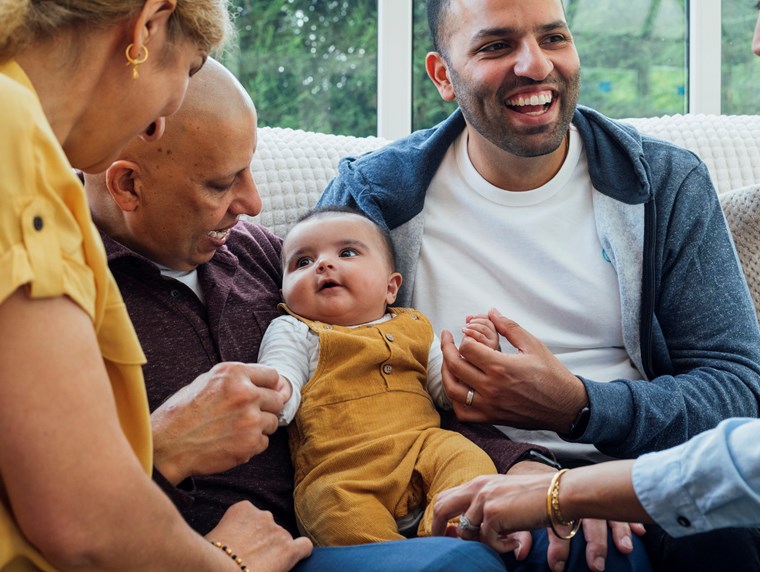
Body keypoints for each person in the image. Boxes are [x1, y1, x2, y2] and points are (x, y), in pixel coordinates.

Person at [317, 0, 760, 570]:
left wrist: (580, 407)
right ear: (442, 76)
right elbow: (336, 385)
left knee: (725, 539)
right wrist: (521, 468)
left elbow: (737, 393)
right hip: (469, 485)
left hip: (648, 479)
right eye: (496, 46)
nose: (535, 65)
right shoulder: (372, 200)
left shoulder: (664, 183)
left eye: (553, 38)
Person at [84, 57, 513, 572]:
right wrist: (169, 458)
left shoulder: (251, 250)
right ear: (128, 186)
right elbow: (49, 509)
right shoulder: (61, 296)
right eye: (222, 185)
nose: (254, 202)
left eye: (251, 170)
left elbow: (407, 388)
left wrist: (527, 469)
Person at [0, 0, 312, 570]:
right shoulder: (12, 130)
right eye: (190, 69)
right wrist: (229, 564)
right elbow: (84, 518)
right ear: (148, 24)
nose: (161, 119)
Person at [258, 206, 498, 545]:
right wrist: (275, 394)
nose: (323, 264)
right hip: (342, 474)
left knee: (466, 456)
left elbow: (447, 393)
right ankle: (397, 559)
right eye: (303, 262)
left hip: (422, 449)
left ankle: (450, 536)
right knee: (329, 508)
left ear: (391, 287)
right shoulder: (295, 330)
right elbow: (280, 374)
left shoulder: (414, 325)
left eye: (347, 252)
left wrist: (476, 357)